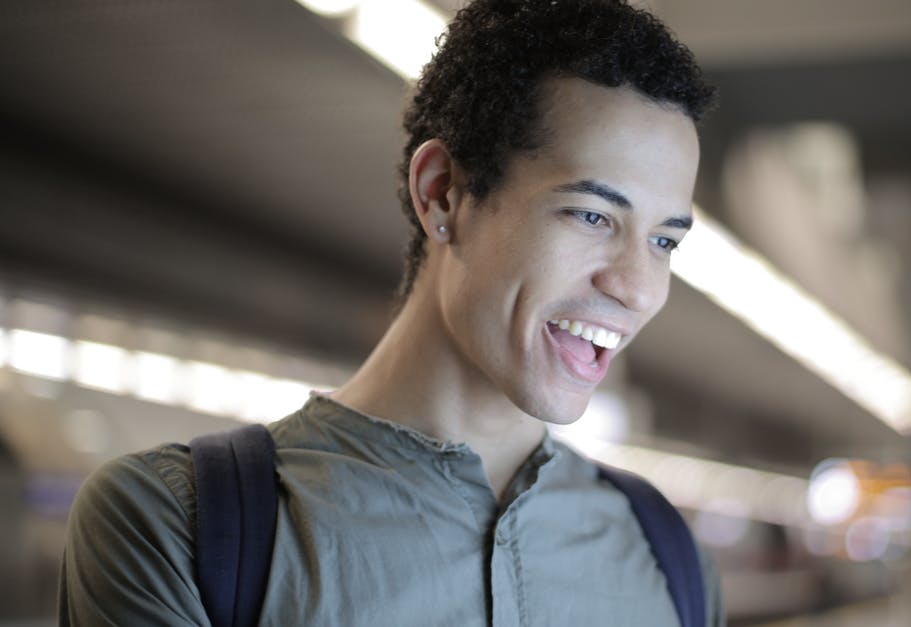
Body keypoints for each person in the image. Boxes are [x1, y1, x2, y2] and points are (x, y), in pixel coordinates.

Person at [58, 0, 722, 624]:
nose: (637, 285)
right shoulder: (175, 525)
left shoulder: (668, 553)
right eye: (592, 214)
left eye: (664, 240)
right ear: (443, 196)